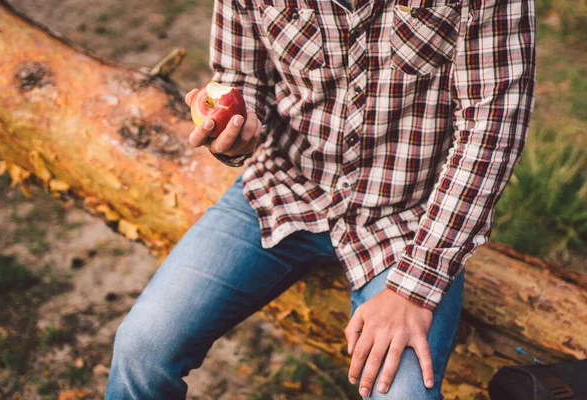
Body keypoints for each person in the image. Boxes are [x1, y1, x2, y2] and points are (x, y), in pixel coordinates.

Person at [105, 0, 536, 397]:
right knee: (142, 347)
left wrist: (414, 290)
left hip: (409, 218)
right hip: (284, 187)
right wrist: (237, 132)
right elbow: (241, 79)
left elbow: (492, 129)